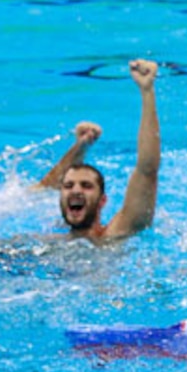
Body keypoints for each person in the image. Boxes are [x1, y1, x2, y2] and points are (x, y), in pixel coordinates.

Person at [35, 59, 161, 242]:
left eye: (86, 186)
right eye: (68, 186)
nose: (76, 191)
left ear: (103, 201)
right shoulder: (43, 243)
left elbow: (147, 170)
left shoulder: (116, 235)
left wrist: (147, 91)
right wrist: (80, 146)